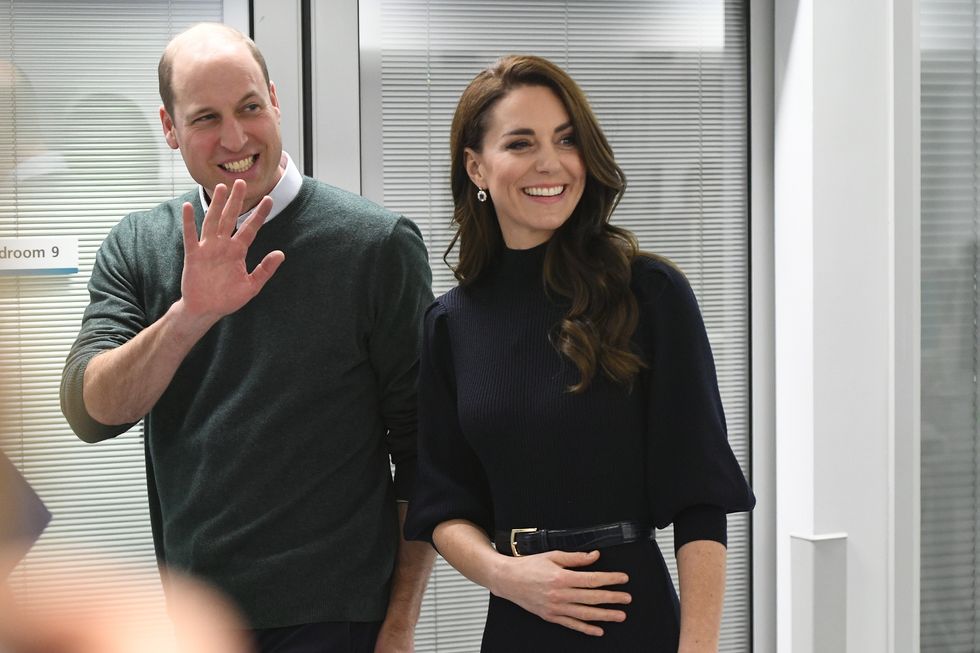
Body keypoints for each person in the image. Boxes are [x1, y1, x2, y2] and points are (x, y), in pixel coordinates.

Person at [60, 23, 435, 653]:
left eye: (250, 107)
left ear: (276, 101)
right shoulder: (138, 245)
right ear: (169, 127)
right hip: (195, 622)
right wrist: (191, 315)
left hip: (339, 621)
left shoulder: (376, 245)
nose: (235, 138)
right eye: (206, 117)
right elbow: (90, 412)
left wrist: (398, 628)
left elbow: (425, 453)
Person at [403, 55, 756, 652]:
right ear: (477, 168)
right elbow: (443, 502)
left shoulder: (650, 294)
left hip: (633, 617)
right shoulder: (450, 325)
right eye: (521, 143)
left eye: (566, 140)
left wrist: (699, 648)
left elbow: (700, 499)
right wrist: (505, 575)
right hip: (516, 620)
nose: (551, 163)